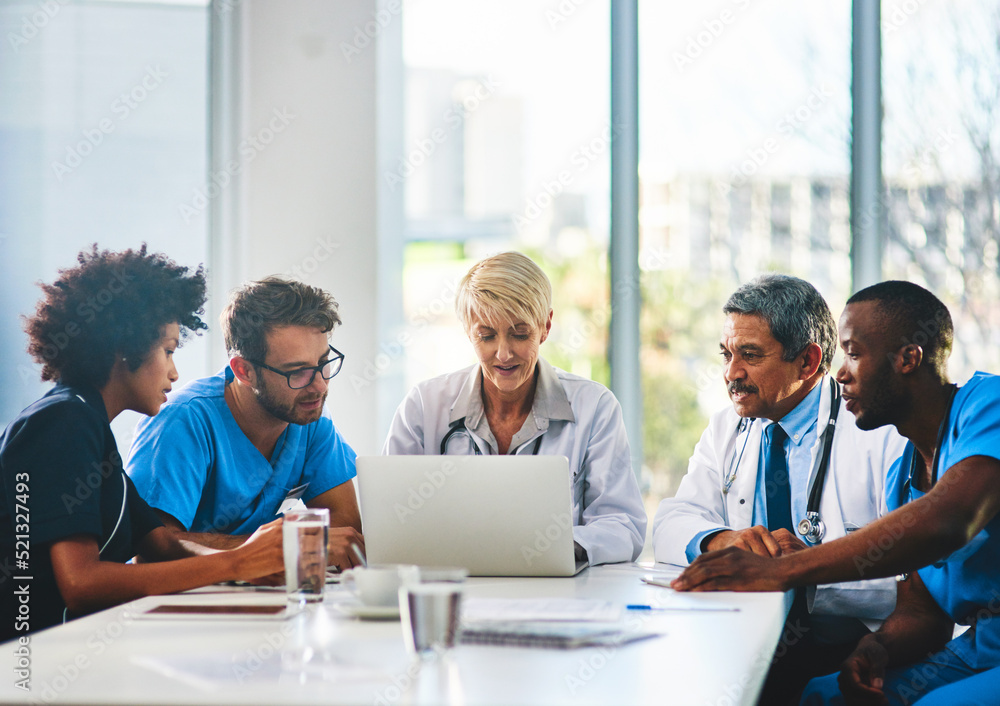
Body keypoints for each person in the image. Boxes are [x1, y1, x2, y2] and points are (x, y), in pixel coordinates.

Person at [670, 281, 1000, 705]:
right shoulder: (905, 473)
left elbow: (948, 522)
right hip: (976, 650)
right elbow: (922, 611)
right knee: (822, 696)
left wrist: (782, 570)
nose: (841, 372)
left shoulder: (988, 406)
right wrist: (874, 651)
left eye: (854, 354)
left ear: (908, 359)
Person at [0, 246, 284, 640]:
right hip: (27, 667)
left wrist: (256, 559)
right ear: (125, 349)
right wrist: (236, 565)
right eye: (167, 351)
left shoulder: (92, 428)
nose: (174, 371)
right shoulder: (63, 422)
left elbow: (164, 545)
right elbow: (81, 585)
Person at [652, 274, 906, 704]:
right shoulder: (727, 428)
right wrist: (721, 540)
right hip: (752, 641)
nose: (732, 373)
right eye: (727, 354)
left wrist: (804, 569)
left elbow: (912, 578)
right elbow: (669, 523)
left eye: (750, 355)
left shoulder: (878, 433)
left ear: (808, 362)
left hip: (862, 647)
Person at [382, 252, 646, 566]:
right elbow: (390, 519)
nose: (504, 353)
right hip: (452, 589)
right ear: (469, 331)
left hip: (557, 595)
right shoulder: (423, 406)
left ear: (545, 327)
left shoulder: (595, 408)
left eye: (520, 334)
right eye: (487, 336)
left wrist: (551, 548)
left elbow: (623, 526)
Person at [126, 276, 364, 570]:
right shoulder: (182, 422)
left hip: (262, 598)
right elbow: (150, 548)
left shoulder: (310, 421)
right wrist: (282, 547)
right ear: (244, 370)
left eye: (323, 363)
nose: (319, 386)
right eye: (297, 372)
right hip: (178, 605)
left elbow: (345, 537)